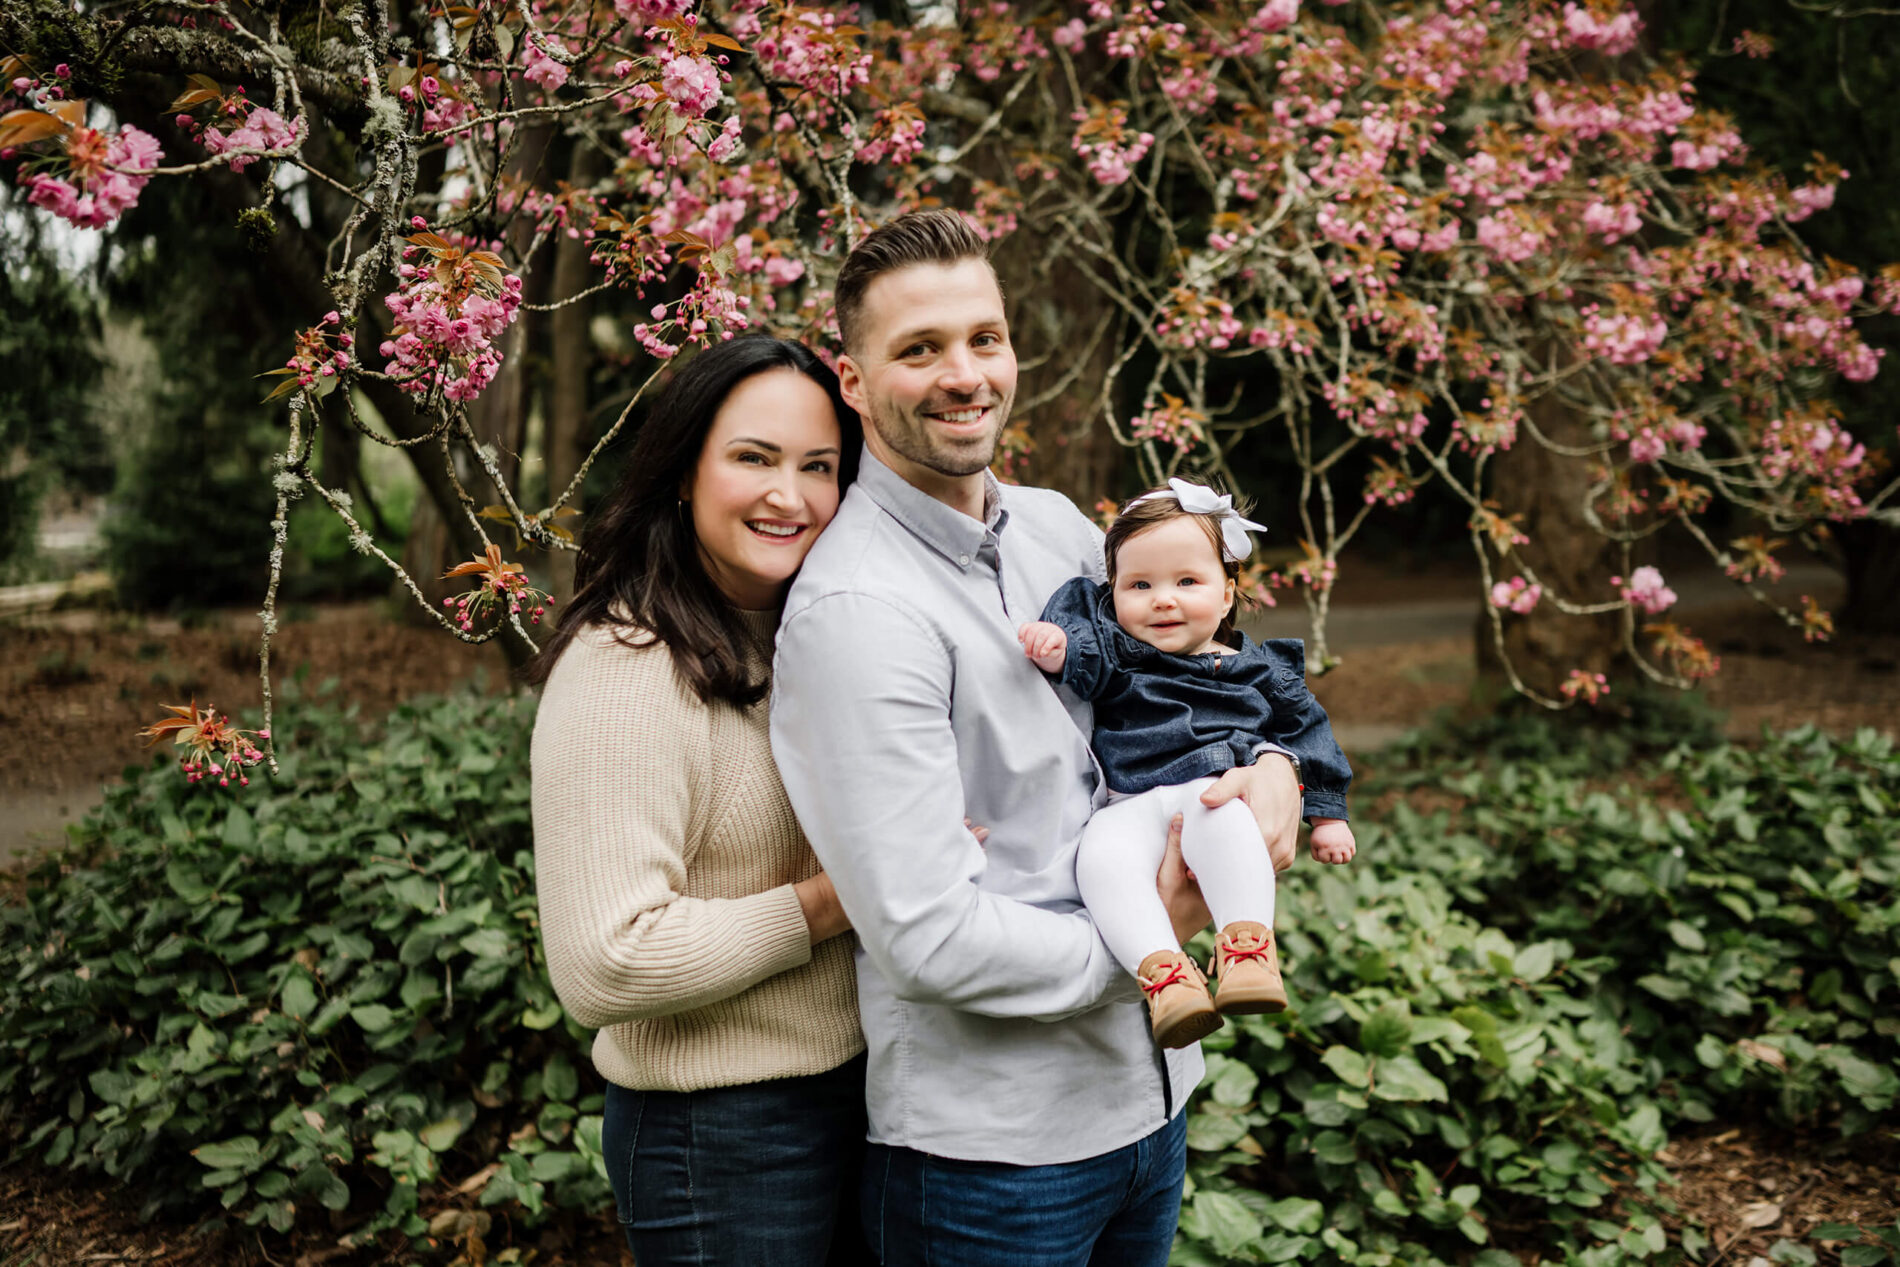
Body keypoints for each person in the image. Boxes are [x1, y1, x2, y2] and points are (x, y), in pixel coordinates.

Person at [769, 210, 1304, 1267]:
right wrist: (1162, 940)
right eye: (918, 349)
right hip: (991, 1161)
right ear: (852, 377)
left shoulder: (1066, 530)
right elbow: (928, 939)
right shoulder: (857, 612)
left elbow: (1195, 684)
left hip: (1149, 1106)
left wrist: (1275, 769)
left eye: (984, 338)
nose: (964, 374)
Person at [527, 335, 870, 1265]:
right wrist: (837, 899)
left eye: (818, 466)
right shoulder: (625, 667)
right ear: (684, 469)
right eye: (753, 458)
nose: (787, 495)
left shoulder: (820, 638)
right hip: (715, 1135)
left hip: (865, 1096)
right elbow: (605, 961)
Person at [1016, 478, 1356, 1050]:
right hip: (1125, 802)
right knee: (1100, 862)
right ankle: (1166, 977)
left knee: (1226, 826)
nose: (1162, 599)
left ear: (1227, 594)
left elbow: (1309, 731)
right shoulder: (1121, 651)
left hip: (1212, 787)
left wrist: (1327, 814)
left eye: (1187, 582)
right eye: (1140, 584)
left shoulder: (1260, 670)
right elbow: (1089, 657)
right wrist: (1060, 646)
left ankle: (1247, 949)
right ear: (1112, 594)